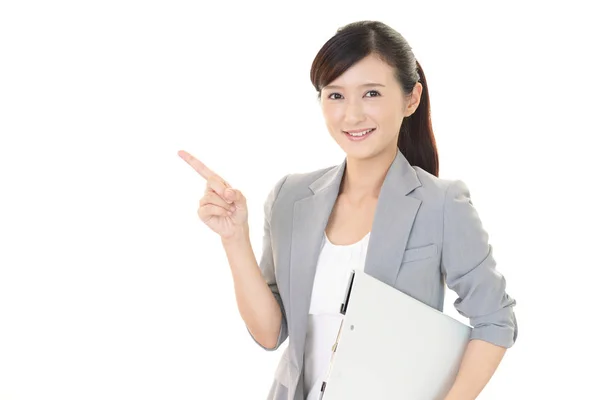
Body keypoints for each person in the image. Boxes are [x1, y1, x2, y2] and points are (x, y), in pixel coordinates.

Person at [178, 20, 517, 400]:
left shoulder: (441, 203)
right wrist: (233, 238)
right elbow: (269, 334)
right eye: (335, 95)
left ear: (411, 98)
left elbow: (495, 320)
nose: (351, 115)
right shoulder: (290, 197)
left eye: (371, 93)